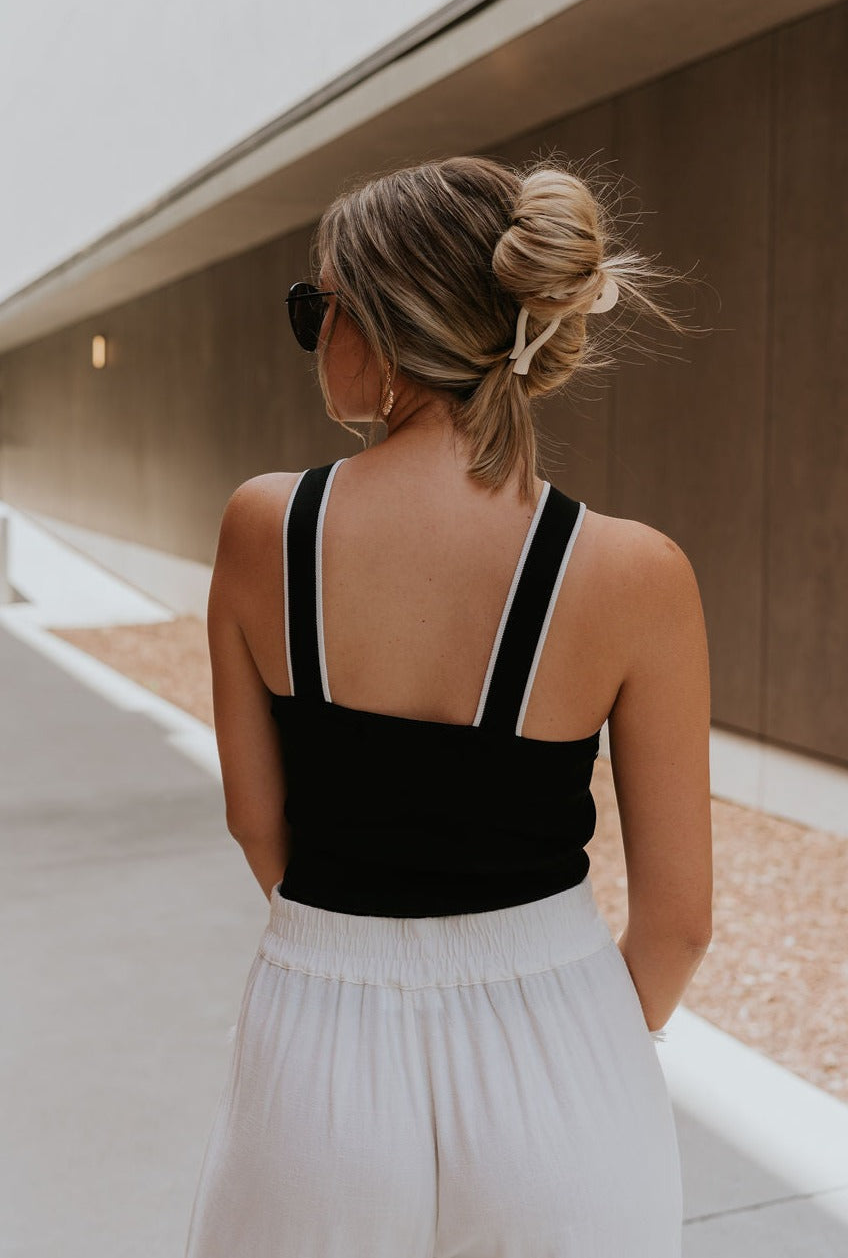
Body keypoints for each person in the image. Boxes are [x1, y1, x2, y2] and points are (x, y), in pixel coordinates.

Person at [184, 154, 713, 1258]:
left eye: (313, 306)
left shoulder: (264, 529)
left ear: (375, 326)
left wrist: (358, 942)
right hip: (561, 1033)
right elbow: (676, 921)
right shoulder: (630, 571)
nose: (311, 334)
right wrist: (578, 1039)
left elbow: (258, 824)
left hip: (319, 1038)